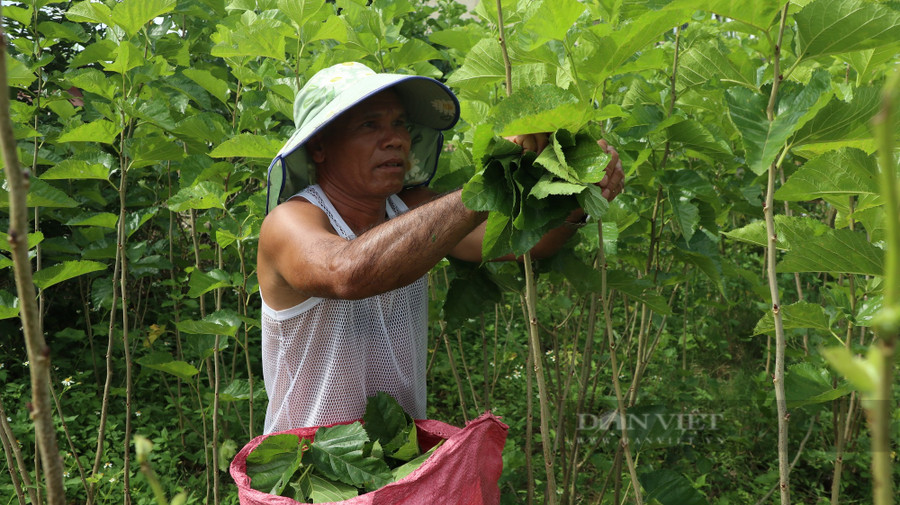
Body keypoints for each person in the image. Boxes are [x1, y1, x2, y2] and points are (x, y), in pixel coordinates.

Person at [257, 62, 624, 433]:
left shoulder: (410, 208)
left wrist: (578, 194)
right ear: (319, 147)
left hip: (401, 456)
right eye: (370, 125)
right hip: (308, 463)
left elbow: (527, 243)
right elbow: (348, 272)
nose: (396, 139)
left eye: (399, 124)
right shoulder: (290, 223)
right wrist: (488, 183)